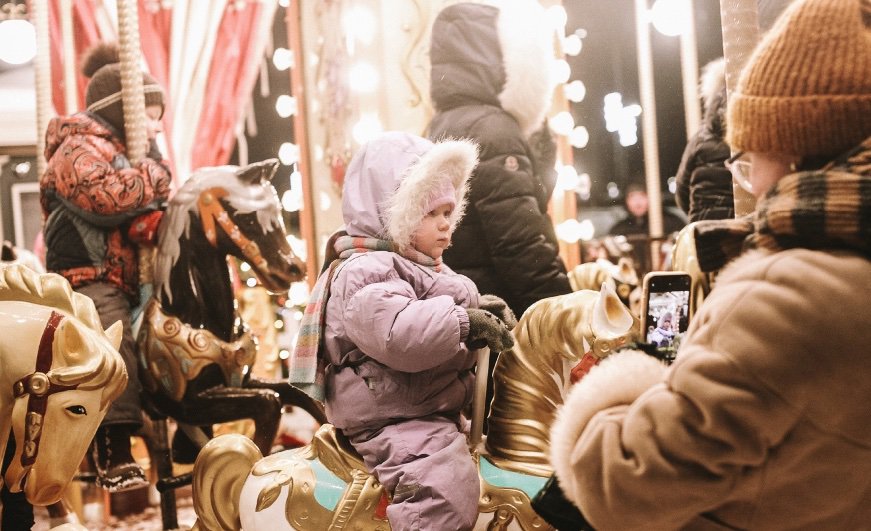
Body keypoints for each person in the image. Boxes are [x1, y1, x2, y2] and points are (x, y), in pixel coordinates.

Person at [549, 1, 871, 529]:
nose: (749, 180)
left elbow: (620, 482)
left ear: (796, 152)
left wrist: (627, 380)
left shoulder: (785, 296)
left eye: (751, 157)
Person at [289, 132, 516, 530]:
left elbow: (434, 305)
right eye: (431, 214)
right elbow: (399, 334)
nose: (446, 225)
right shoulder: (365, 270)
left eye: (449, 211)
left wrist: (479, 309)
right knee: (444, 493)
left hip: (427, 406)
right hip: (394, 417)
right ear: (396, 214)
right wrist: (465, 321)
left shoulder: (419, 264)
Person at [39, 42, 171, 492]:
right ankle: (114, 447)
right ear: (121, 111)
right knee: (114, 338)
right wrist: (154, 174)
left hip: (127, 275)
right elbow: (108, 199)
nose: (156, 126)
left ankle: (193, 430)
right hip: (87, 275)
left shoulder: (124, 152)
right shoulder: (75, 148)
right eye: (150, 114)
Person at [426, 0, 572, 320]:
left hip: (460, 314)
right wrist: (569, 316)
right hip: (502, 318)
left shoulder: (438, 126)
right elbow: (522, 248)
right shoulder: (495, 130)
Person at [674, 58, 735, 222]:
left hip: (705, 228)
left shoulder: (701, 139)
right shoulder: (758, 135)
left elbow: (681, 191)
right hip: (748, 227)